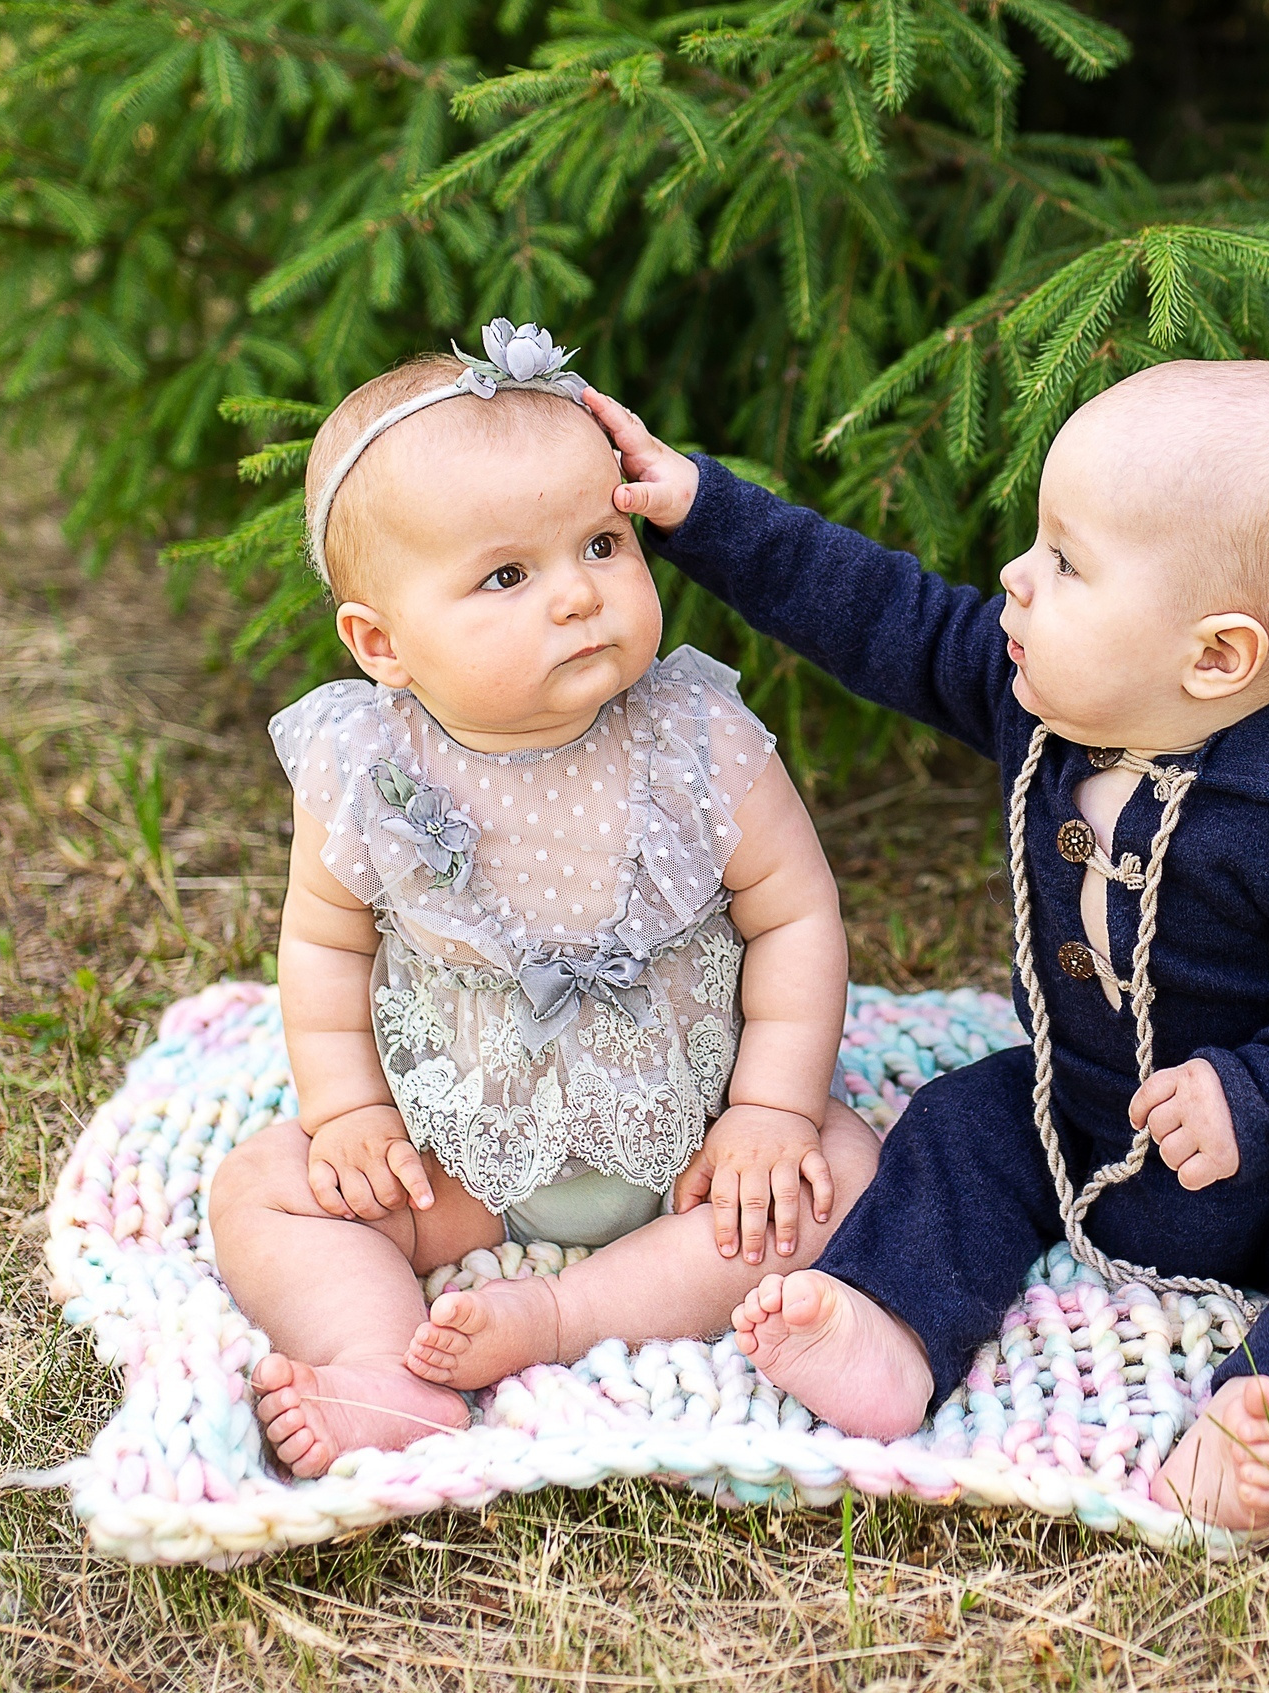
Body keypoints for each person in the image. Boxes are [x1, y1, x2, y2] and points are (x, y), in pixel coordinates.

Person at [586, 359, 1269, 1534]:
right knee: (960, 1123)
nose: (1015, 578)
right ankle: (893, 1329)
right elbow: (882, 612)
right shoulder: (1043, 701)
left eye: (1067, 562)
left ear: (1215, 657)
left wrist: (1258, 1093)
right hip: (1085, 1121)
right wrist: (703, 509)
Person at [207, 322, 878, 1478]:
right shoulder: (367, 768)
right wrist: (350, 1111)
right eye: (509, 574)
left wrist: (768, 1110)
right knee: (261, 1190)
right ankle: (385, 1365)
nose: (578, 595)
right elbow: (322, 944)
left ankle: (566, 1317)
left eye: (603, 544)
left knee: (846, 1169)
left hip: (686, 1141)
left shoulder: (699, 737)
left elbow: (796, 917)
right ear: (382, 643)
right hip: (460, 1151)